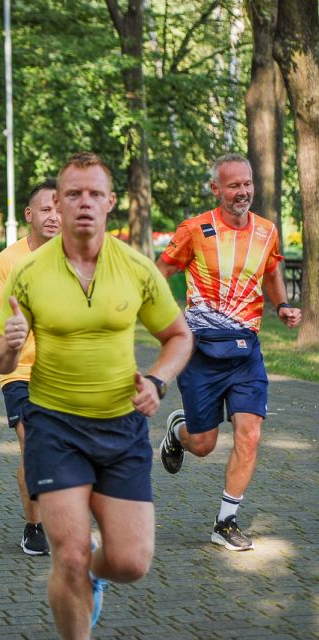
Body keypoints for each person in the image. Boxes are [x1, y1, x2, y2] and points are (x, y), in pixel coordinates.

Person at [0, 152, 192, 636]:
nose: (83, 204)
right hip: (54, 426)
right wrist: (8, 345)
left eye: (94, 194)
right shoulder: (29, 271)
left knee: (131, 561)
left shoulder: (137, 268)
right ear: (56, 202)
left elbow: (179, 336)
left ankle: (96, 576)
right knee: (70, 556)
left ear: (111, 202)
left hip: (122, 427)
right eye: (72, 194)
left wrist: (158, 380)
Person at [156, 153, 302, 551]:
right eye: (234, 185)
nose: (243, 192)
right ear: (216, 189)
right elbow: (159, 273)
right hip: (201, 351)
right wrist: (166, 323)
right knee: (203, 445)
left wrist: (282, 305)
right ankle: (178, 430)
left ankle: (225, 521)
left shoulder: (267, 231)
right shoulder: (195, 229)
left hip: (246, 350)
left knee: (250, 433)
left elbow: (271, 269)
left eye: (247, 184)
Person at [0, 178, 60, 556]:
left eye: (61, 208)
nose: (55, 216)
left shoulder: (79, 254)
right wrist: (3, 343)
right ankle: (34, 526)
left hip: (67, 372)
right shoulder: (10, 259)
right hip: (21, 371)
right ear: (30, 215)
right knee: (33, 446)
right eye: (46, 209)